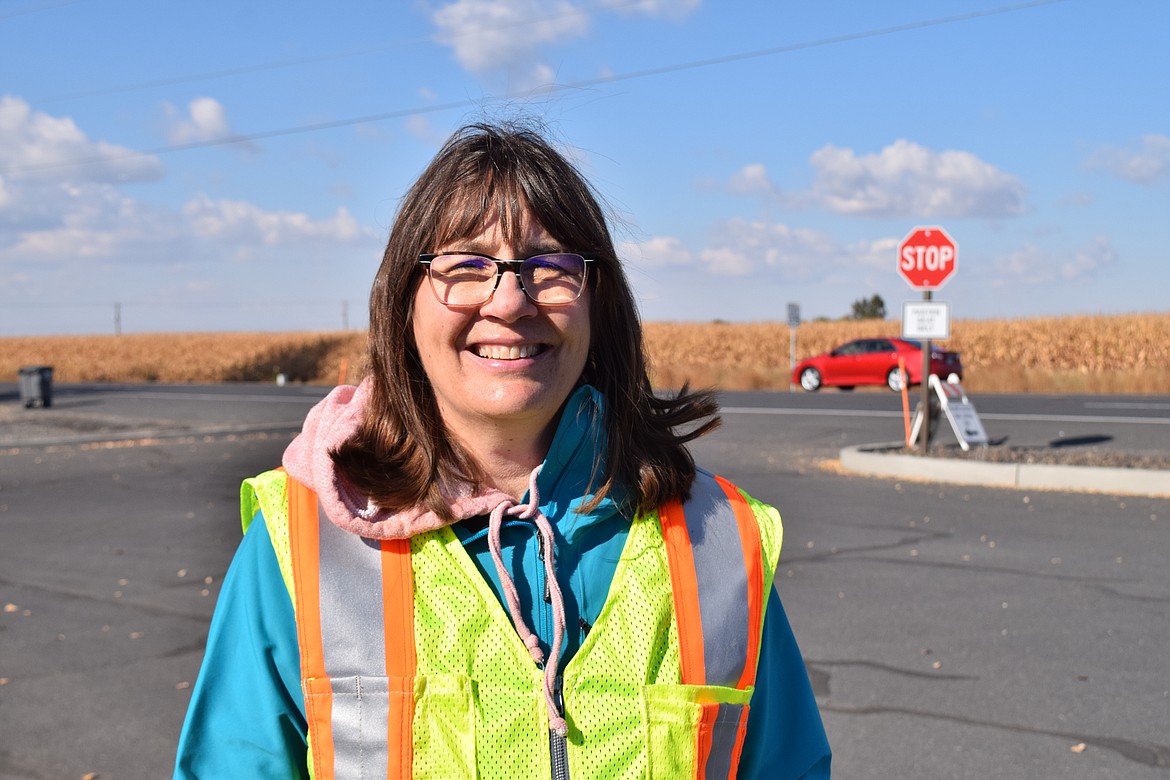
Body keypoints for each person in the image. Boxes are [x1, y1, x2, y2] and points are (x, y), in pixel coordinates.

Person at [173, 121, 831, 779]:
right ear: (404, 302)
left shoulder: (716, 542)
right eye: (465, 266)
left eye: (549, 265)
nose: (510, 300)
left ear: (598, 302)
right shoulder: (300, 541)